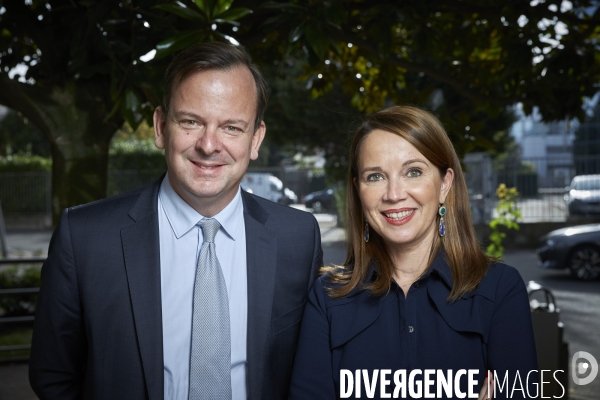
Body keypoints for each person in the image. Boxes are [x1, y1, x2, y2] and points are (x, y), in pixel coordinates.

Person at [29, 42, 323, 400]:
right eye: (191, 122)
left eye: (231, 127)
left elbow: (309, 371)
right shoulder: (86, 239)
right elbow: (53, 376)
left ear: (255, 139)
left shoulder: (298, 238)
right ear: (160, 127)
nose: (209, 144)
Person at [289, 106, 538, 399]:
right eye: (375, 176)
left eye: (413, 172)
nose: (394, 194)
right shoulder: (327, 298)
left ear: (445, 184)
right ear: (358, 190)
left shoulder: (500, 290)